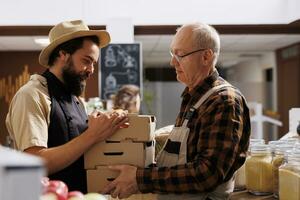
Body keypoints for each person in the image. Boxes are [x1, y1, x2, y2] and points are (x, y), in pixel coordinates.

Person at [102, 22, 251, 200]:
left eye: (180, 54)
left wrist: (140, 178)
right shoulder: (193, 97)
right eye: (172, 54)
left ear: (206, 57)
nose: (173, 62)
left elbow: (207, 174)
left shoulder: (224, 100)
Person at [5, 20, 128, 193]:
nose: (91, 69)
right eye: (86, 60)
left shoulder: (75, 99)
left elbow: (80, 148)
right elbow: (35, 162)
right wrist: (92, 135)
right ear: (63, 54)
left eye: (94, 63)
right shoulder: (32, 95)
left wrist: (106, 126)